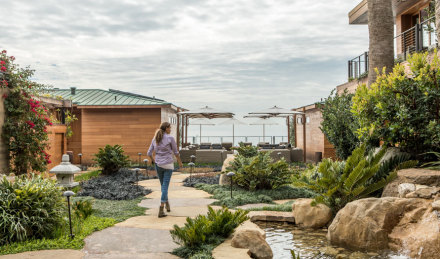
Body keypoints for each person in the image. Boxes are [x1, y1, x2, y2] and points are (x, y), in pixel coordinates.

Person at [147, 122, 183, 218]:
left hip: (158, 165)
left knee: (163, 186)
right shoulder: (170, 138)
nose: (170, 129)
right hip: (168, 165)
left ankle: (167, 204)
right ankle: (161, 208)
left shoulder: (155, 138)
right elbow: (176, 152)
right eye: (170, 128)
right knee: (165, 186)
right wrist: (180, 162)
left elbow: (149, 153)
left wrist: (153, 160)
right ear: (166, 128)